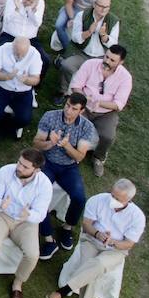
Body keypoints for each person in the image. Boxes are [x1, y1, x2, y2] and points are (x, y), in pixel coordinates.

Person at [47, 179, 144, 298]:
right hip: (92, 240)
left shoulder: (137, 217)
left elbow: (129, 244)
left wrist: (113, 242)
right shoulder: (98, 200)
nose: (113, 200)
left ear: (129, 201)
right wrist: (99, 234)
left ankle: (64, 291)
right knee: (90, 268)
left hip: (115, 250)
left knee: (97, 264)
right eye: (112, 195)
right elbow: (86, 225)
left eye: (118, 199)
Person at [0, 148, 52, 298]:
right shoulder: (5, 172)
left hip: (25, 222)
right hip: (0, 214)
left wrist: (29, 215)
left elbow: (40, 214)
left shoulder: (44, 185)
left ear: (36, 170)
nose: (19, 167)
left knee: (33, 254)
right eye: (19, 163)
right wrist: (0, 204)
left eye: (25, 167)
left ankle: (17, 284)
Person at [35, 93, 98, 260]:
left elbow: (79, 157)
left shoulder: (86, 127)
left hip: (69, 167)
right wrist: (50, 143)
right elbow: (36, 143)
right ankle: (49, 238)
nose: (69, 111)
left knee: (79, 198)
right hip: (47, 162)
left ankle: (68, 227)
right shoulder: (50, 116)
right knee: (39, 196)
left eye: (74, 109)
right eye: (68, 106)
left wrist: (66, 146)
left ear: (82, 111)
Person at [69, 45, 131, 176]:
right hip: (84, 105)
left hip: (105, 112)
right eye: (106, 57)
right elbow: (76, 85)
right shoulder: (91, 64)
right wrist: (85, 100)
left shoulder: (125, 78)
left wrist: (99, 103)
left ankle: (98, 158)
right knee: (73, 124)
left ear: (121, 62)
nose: (107, 61)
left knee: (107, 136)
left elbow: (118, 104)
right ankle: (72, 149)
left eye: (112, 60)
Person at [0, 35, 43, 139]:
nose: (19, 56)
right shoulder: (2, 50)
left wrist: (26, 80)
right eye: (17, 53)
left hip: (23, 91)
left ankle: (4, 128)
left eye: (22, 54)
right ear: (12, 46)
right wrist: (7, 76)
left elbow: (36, 79)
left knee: (24, 119)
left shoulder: (35, 55)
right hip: (1, 87)